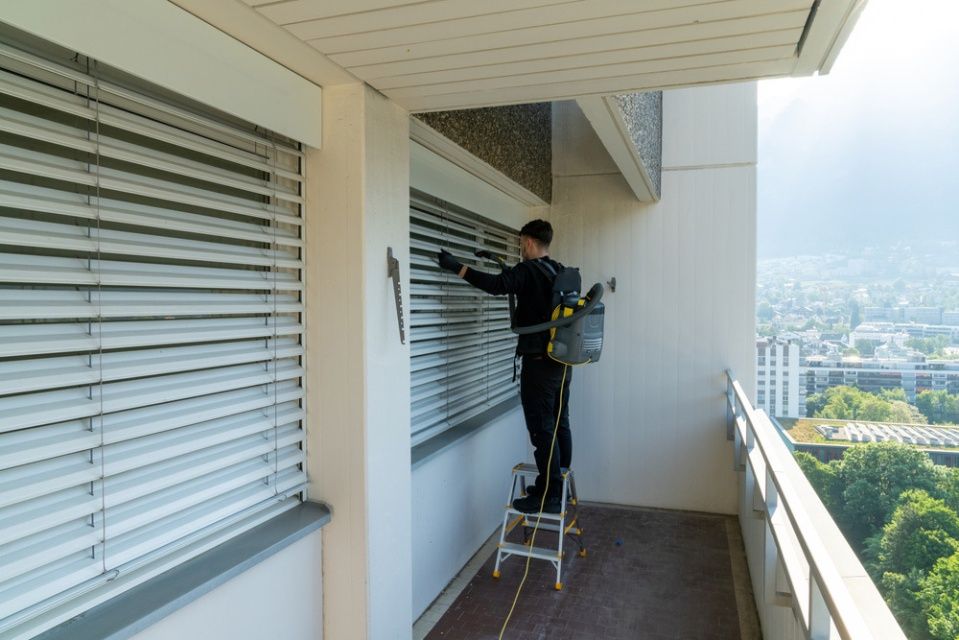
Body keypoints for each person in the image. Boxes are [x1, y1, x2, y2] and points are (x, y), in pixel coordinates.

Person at [436, 219, 571, 514]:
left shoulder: (527, 271)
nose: (521, 247)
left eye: (522, 242)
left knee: (541, 431)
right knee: (559, 423)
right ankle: (555, 484)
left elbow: (497, 286)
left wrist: (456, 267)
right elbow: (523, 286)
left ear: (529, 242)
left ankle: (548, 495)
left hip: (538, 366)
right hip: (561, 364)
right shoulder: (558, 270)